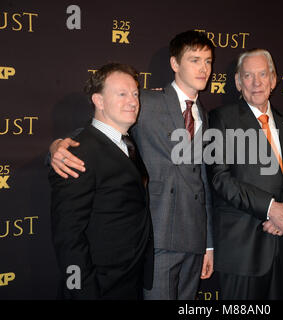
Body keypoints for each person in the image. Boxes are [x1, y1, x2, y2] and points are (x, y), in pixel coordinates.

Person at [48, 30, 215, 300]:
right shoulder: (146, 100)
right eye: (195, 60)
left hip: (193, 238)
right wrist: (57, 148)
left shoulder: (204, 115)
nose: (204, 68)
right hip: (157, 237)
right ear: (175, 64)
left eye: (208, 61)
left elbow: (203, 180)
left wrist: (207, 243)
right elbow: (99, 132)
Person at [207, 49, 283, 299]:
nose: (256, 83)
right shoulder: (221, 119)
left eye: (262, 75)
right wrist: (271, 209)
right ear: (238, 82)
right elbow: (220, 178)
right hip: (242, 252)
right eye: (248, 76)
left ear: (274, 79)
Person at [48, 62, 153, 299]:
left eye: (136, 93)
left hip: (129, 280)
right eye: (122, 94)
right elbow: (68, 236)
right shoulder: (77, 153)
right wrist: (83, 291)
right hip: (98, 287)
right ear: (99, 101)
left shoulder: (127, 143)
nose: (133, 101)